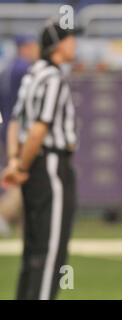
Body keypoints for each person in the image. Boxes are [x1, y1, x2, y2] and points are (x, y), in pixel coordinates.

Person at [1, 21, 80, 300]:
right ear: (59, 45)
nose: (75, 44)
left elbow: (14, 123)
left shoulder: (33, 73)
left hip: (33, 166)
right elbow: (38, 128)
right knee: (51, 251)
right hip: (50, 165)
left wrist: (14, 161)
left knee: (33, 249)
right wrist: (20, 165)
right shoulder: (52, 78)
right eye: (70, 39)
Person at [0, 35, 39, 236]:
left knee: (18, 174)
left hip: (7, 130)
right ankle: (3, 215)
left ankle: (27, 227)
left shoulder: (6, 69)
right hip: (20, 132)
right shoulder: (24, 69)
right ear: (25, 47)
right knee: (24, 176)